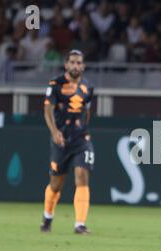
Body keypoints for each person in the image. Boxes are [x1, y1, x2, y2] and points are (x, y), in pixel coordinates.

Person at [40, 49, 94, 234]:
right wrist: (54, 132)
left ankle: (80, 224)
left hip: (80, 138)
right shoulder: (55, 84)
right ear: (66, 65)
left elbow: (87, 111)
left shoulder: (88, 87)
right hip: (61, 139)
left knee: (82, 175)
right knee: (56, 183)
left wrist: (86, 130)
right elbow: (47, 110)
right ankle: (47, 217)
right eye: (72, 62)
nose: (76, 66)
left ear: (83, 66)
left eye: (79, 63)